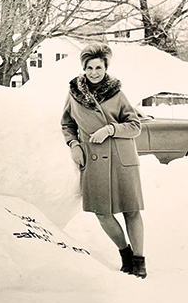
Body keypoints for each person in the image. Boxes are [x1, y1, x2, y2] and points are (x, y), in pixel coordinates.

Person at [61, 43, 147, 279]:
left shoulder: (117, 93)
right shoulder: (74, 94)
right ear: (84, 68)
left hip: (121, 157)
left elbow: (135, 126)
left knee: (131, 210)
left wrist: (110, 129)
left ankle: (139, 261)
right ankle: (125, 254)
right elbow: (67, 124)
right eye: (89, 67)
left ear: (105, 67)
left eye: (98, 67)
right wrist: (74, 145)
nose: (94, 72)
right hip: (94, 158)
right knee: (102, 212)